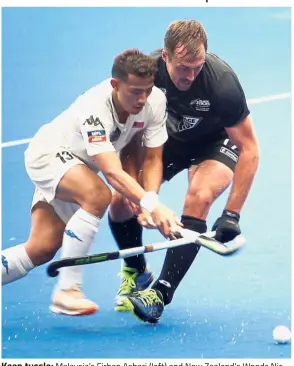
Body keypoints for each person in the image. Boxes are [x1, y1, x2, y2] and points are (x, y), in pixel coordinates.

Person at [1, 49, 182, 316]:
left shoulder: (154, 101)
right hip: (49, 153)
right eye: (134, 91)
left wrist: (148, 199)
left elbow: (151, 157)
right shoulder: (95, 108)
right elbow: (111, 172)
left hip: (79, 167)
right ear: (115, 84)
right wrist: (152, 205)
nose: (142, 98)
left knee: (41, 248)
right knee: (98, 195)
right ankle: (67, 291)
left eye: (147, 90)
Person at [111, 20, 260, 323]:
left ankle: (160, 293)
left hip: (215, 142)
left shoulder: (223, 84)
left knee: (200, 195)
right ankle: (136, 269)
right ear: (164, 57)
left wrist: (232, 214)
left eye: (198, 67)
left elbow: (250, 147)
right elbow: (129, 138)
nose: (191, 76)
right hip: (166, 142)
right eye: (183, 68)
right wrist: (145, 199)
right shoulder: (145, 77)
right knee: (119, 202)